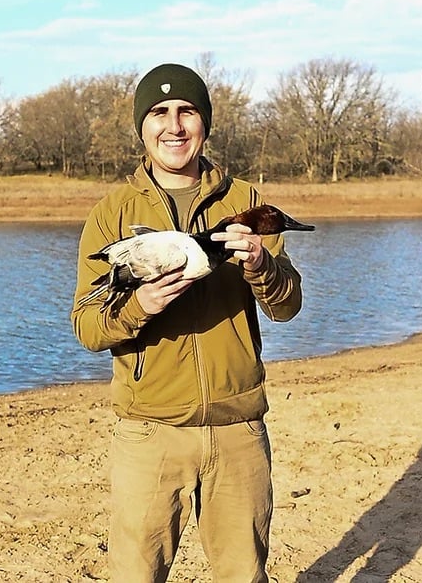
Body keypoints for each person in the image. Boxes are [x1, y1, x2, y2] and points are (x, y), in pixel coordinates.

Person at [71, 62, 305, 582]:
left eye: (187, 111)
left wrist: (262, 267)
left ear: (205, 123)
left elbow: (287, 305)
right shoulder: (112, 213)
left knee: (244, 575)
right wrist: (141, 306)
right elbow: (87, 325)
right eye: (159, 112)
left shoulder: (245, 203)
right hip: (149, 432)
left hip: (237, 428)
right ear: (142, 126)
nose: (173, 125)